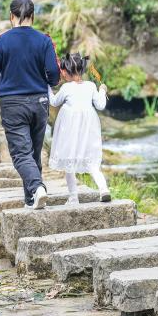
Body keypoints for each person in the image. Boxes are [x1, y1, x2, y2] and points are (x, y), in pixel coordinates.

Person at [0, 0, 61, 209]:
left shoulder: (2, 41)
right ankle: (31, 199)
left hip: (13, 104)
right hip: (40, 102)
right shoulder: (44, 40)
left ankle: (37, 188)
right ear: (32, 16)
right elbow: (54, 74)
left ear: (11, 16)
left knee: (21, 154)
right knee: (33, 153)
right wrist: (48, 81)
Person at [48, 53, 112, 204]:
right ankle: (104, 189)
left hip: (70, 130)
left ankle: (73, 197)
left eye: (62, 70)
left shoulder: (66, 88)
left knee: (69, 162)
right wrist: (102, 90)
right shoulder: (91, 86)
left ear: (65, 71)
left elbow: (54, 102)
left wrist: (47, 87)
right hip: (88, 128)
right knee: (92, 161)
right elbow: (100, 105)